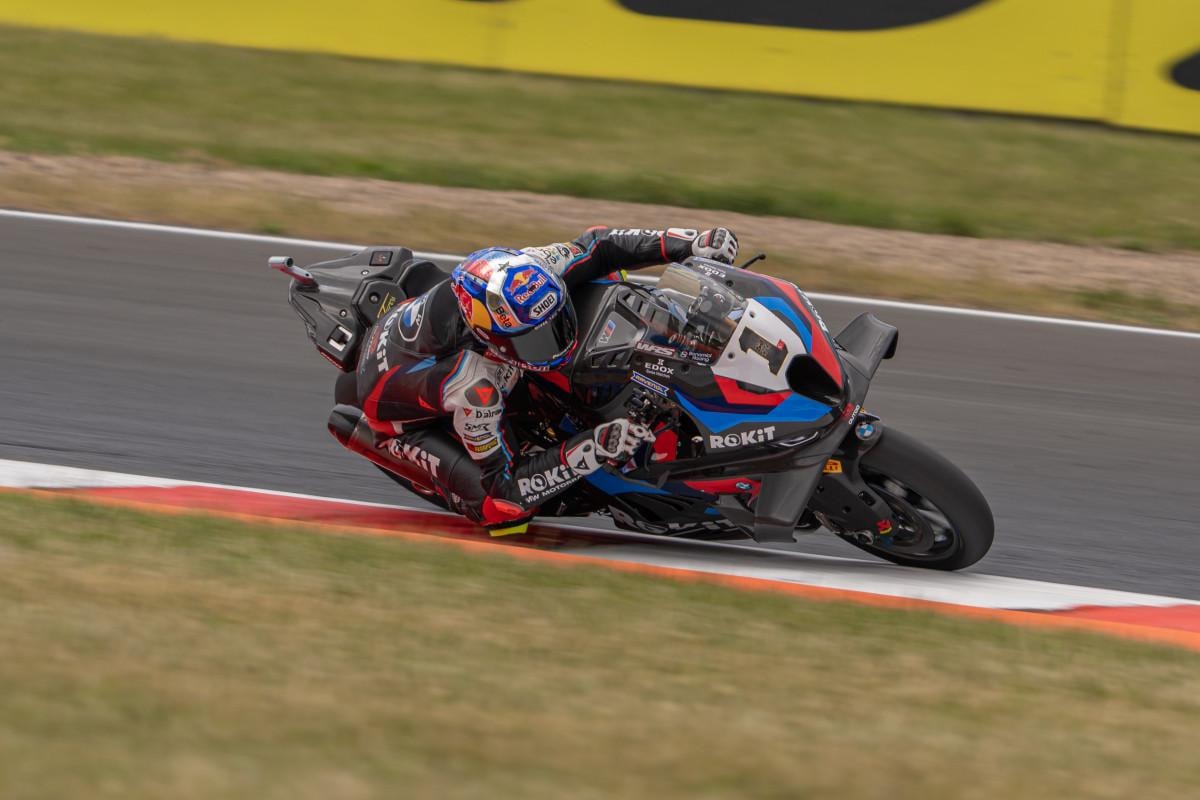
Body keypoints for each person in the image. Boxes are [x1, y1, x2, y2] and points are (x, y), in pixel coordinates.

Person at [332, 226, 739, 533]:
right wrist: (594, 446)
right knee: (504, 514)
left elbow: (599, 245)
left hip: (435, 332)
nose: (553, 342)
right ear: (490, 338)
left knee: (603, 277)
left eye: (553, 323)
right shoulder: (473, 389)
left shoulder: (533, 269)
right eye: (533, 339)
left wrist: (688, 243)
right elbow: (505, 485)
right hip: (404, 416)